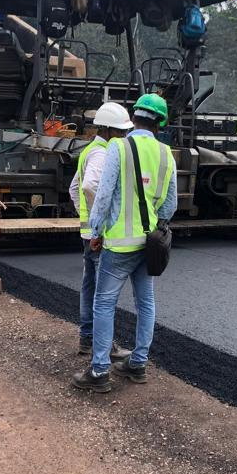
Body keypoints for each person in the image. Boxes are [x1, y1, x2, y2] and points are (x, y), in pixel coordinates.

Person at [72, 93, 177, 392]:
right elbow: (169, 206)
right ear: (160, 123)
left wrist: (96, 232)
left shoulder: (119, 146)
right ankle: (138, 363)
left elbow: (103, 196)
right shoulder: (166, 153)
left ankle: (100, 371)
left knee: (104, 303)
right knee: (146, 302)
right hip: (149, 244)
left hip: (118, 246)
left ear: (135, 118)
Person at [69, 102, 134, 357]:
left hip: (88, 234)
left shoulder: (90, 150)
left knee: (90, 286)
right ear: (107, 130)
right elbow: (89, 186)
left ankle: (87, 338)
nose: (124, 136)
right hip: (98, 236)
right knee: (102, 293)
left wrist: (84, 217)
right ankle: (103, 344)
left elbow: (74, 189)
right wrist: (100, 223)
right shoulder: (103, 153)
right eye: (120, 132)